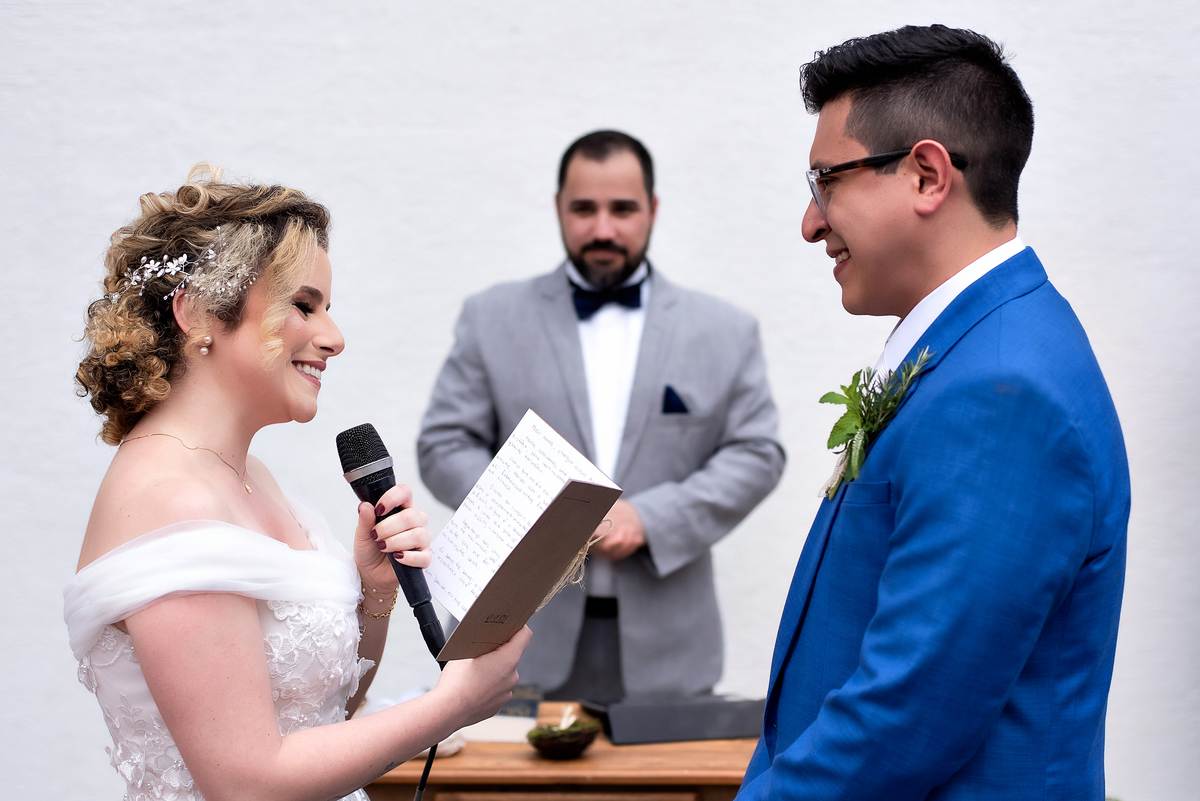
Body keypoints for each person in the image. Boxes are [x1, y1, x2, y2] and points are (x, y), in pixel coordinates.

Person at [737, 25, 1130, 799]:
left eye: (827, 181)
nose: (811, 222)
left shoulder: (1004, 391)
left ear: (926, 175)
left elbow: (906, 713)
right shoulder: (978, 348)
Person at [65, 165, 531, 801]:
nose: (333, 339)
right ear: (199, 311)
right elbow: (246, 782)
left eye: (328, 310)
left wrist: (373, 591)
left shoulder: (251, 477)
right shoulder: (168, 498)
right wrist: (454, 704)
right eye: (302, 305)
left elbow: (322, 718)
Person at [418, 131, 785, 702]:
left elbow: (757, 453)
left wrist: (649, 518)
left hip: (670, 647)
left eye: (623, 209)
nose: (603, 229)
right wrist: (542, 513)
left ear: (654, 210)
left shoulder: (725, 330)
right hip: (514, 631)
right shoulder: (490, 318)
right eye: (584, 209)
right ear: (559, 208)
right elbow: (443, 444)